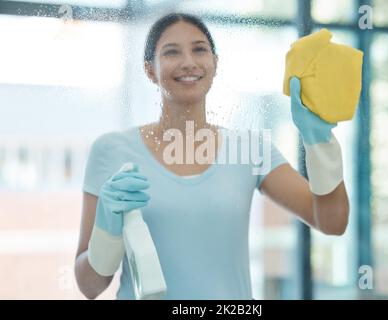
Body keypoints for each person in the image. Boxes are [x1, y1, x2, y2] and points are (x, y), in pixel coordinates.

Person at [74, 12, 349, 300]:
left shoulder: (250, 149)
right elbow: (90, 287)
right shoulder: (112, 150)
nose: (188, 62)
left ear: (215, 64)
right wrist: (106, 234)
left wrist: (320, 144)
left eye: (199, 49)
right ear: (149, 70)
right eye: (171, 52)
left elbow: (332, 221)